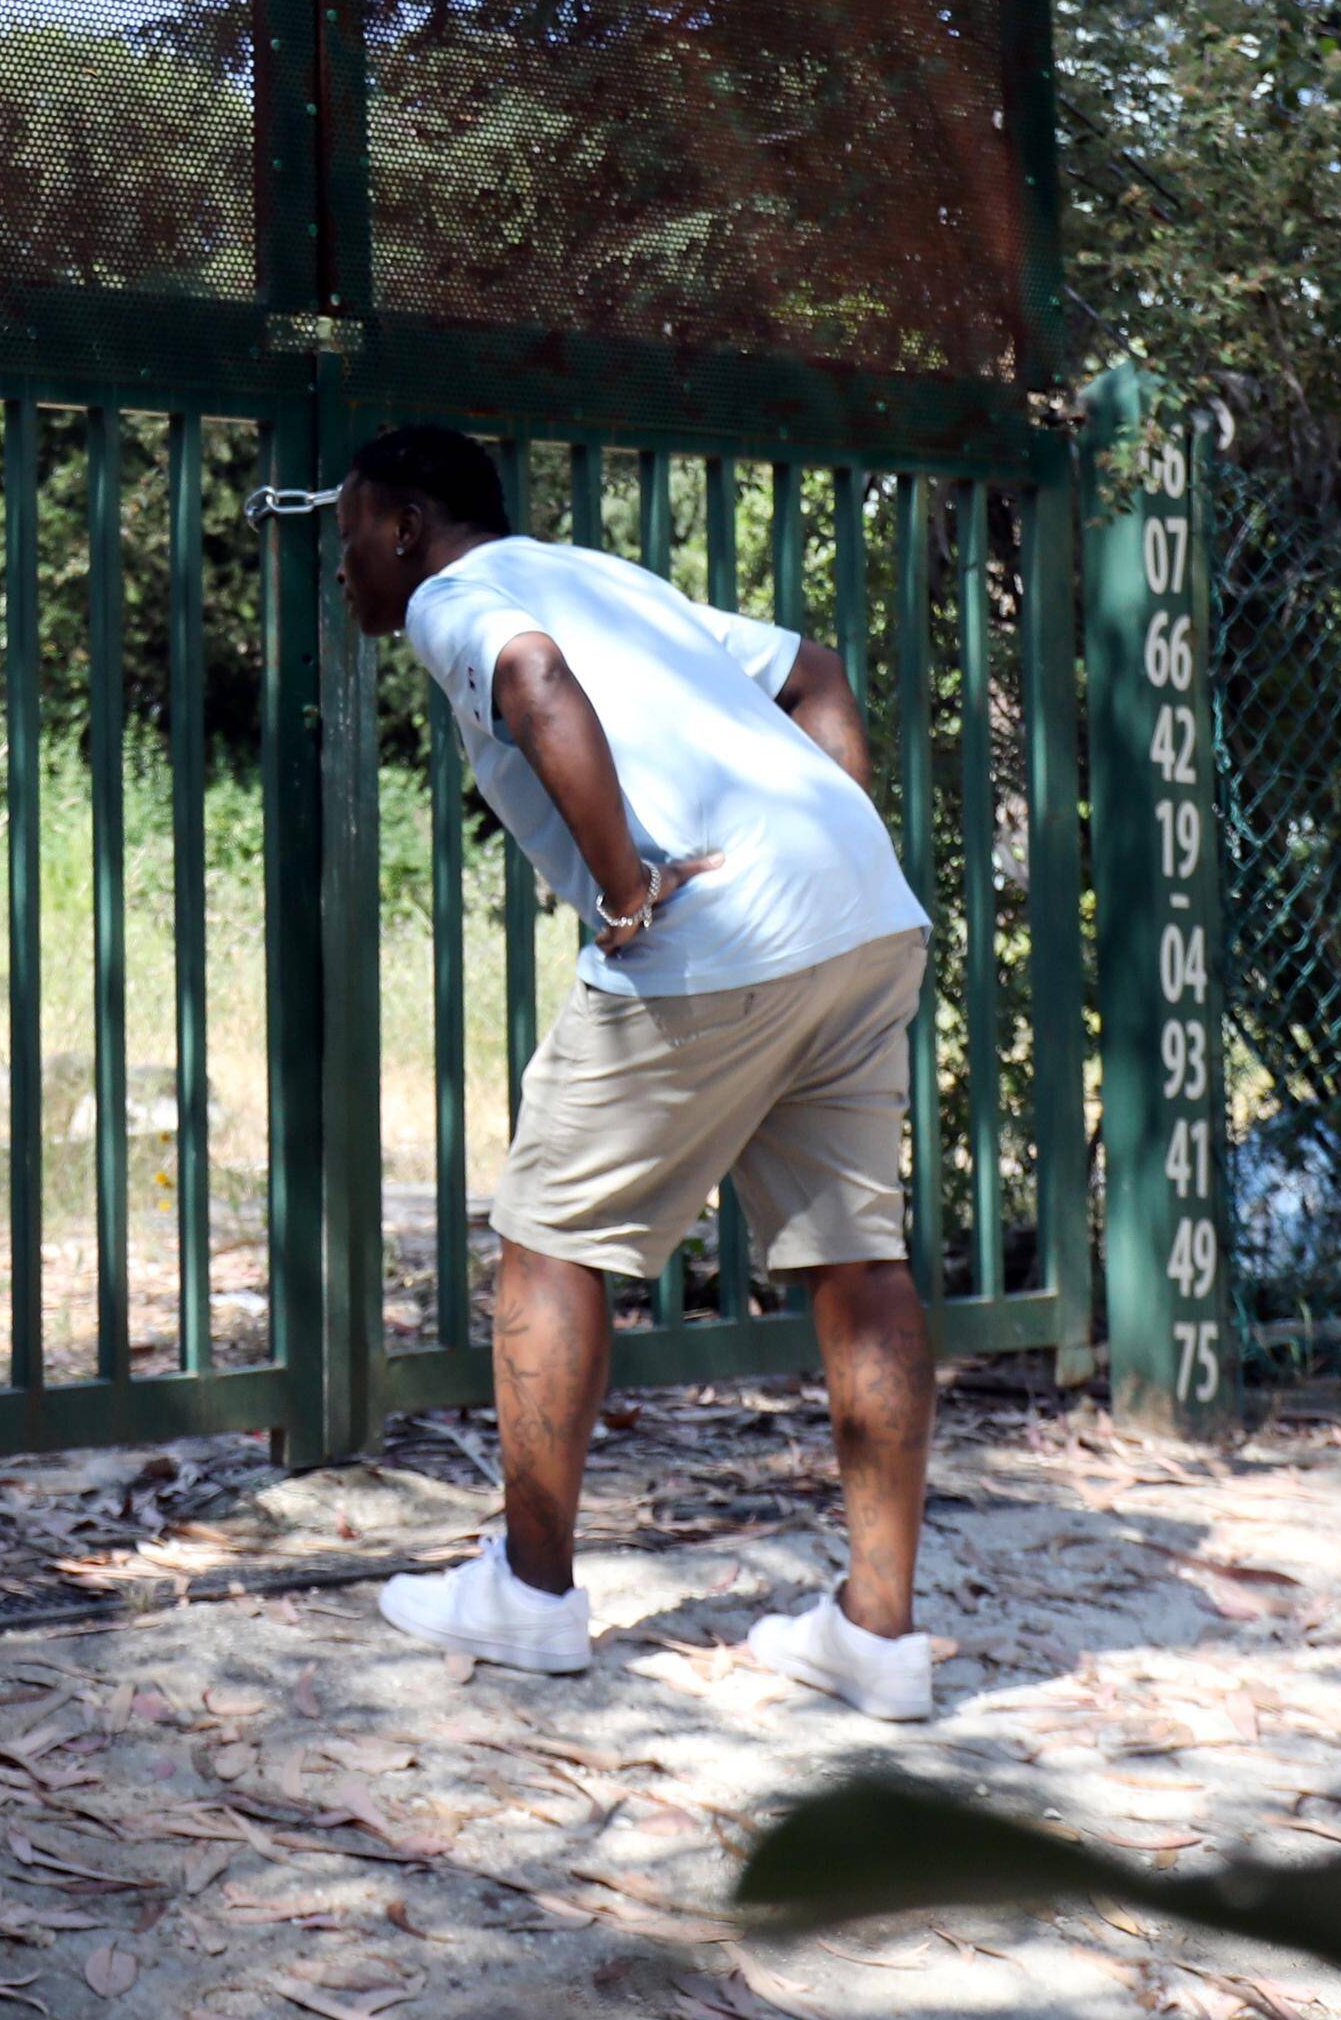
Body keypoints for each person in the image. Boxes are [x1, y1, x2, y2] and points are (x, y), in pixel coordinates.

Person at [324, 423, 942, 1717]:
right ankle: (878, 1635)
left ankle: (531, 1594)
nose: (344, 568)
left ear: (404, 524)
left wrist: (623, 889)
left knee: (549, 1236)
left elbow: (534, 680)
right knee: (859, 1258)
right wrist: (828, 848)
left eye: (350, 536)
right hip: (861, 910)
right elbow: (815, 671)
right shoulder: (606, 576)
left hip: (710, 926)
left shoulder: (452, 593)